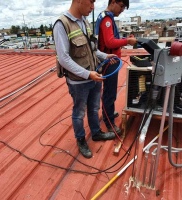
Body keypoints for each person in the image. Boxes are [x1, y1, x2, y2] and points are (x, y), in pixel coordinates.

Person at [53, 0, 118, 159]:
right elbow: (64, 58)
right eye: (91, 2)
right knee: (79, 113)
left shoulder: (85, 22)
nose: (93, 6)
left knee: (94, 108)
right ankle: (81, 139)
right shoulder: (62, 24)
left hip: (93, 77)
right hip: (79, 82)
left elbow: (93, 50)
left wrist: (105, 56)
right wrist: (87, 74)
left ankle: (96, 133)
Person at [95, 0, 137, 134]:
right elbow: (109, 41)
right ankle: (109, 123)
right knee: (110, 93)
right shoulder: (107, 19)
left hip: (112, 60)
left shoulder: (107, 17)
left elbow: (112, 39)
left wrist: (125, 40)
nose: (122, 10)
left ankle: (109, 114)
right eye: (122, 6)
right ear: (113, 2)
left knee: (109, 92)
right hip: (109, 62)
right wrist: (127, 41)